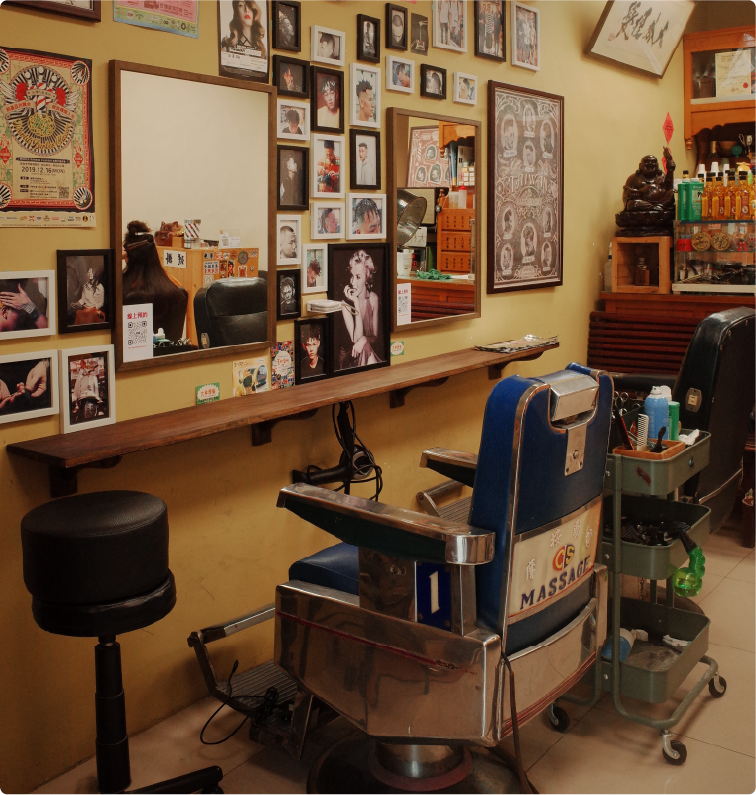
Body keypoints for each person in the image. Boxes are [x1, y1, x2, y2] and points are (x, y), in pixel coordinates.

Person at [122, 221, 188, 343]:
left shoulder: (123, 289)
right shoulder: (174, 286)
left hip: (132, 351)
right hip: (168, 351)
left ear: (127, 255)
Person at [339, 249, 382, 370]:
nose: (353, 282)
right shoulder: (345, 304)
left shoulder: (373, 299)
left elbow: (375, 336)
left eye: (358, 277)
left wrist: (364, 339)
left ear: (367, 277)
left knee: (365, 346)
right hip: (349, 357)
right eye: (351, 276)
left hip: (366, 352)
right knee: (365, 347)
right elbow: (355, 340)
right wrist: (356, 303)